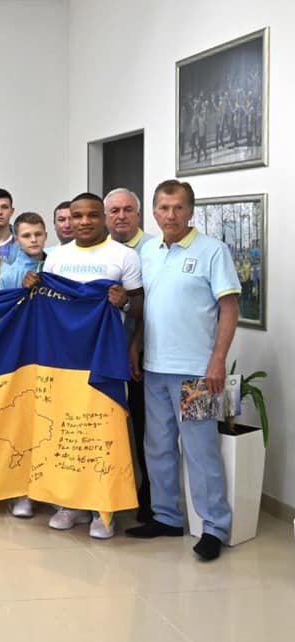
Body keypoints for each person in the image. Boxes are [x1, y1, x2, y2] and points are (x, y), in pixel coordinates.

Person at [125, 179, 240, 562]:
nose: (170, 215)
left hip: (197, 373)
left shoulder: (213, 251)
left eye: (178, 208)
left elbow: (229, 308)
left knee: (201, 450)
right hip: (155, 368)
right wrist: (137, 343)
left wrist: (218, 359)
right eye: (163, 208)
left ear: (191, 211)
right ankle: (167, 517)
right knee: (157, 446)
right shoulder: (148, 251)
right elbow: (149, 305)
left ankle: (214, 527)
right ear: (154, 212)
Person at [24, 193, 143, 538]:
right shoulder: (56, 258)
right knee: (64, 428)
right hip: (61, 359)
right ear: (69, 220)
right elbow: (44, 305)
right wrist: (31, 286)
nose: (84, 221)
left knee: (102, 430)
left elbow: (139, 306)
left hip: (104, 357)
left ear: (103, 217)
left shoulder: (124, 255)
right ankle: (69, 504)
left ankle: (102, 510)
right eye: (77, 216)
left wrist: (124, 302)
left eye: (92, 215)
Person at [105, 187, 156, 522]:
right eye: (114, 211)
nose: (121, 216)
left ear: (138, 214)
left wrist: (136, 344)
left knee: (145, 429)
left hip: (143, 355)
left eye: (127, 210)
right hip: (105, 355)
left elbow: (151, 305)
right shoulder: (99, 251)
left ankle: (149, 497)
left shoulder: (153, 250)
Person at [0, 212, 48, 290]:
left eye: (38, 234)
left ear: (45, 236)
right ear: (16, 240)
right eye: (26, 236)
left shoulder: (57, 265)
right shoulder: (8, 277)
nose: (33, 240)